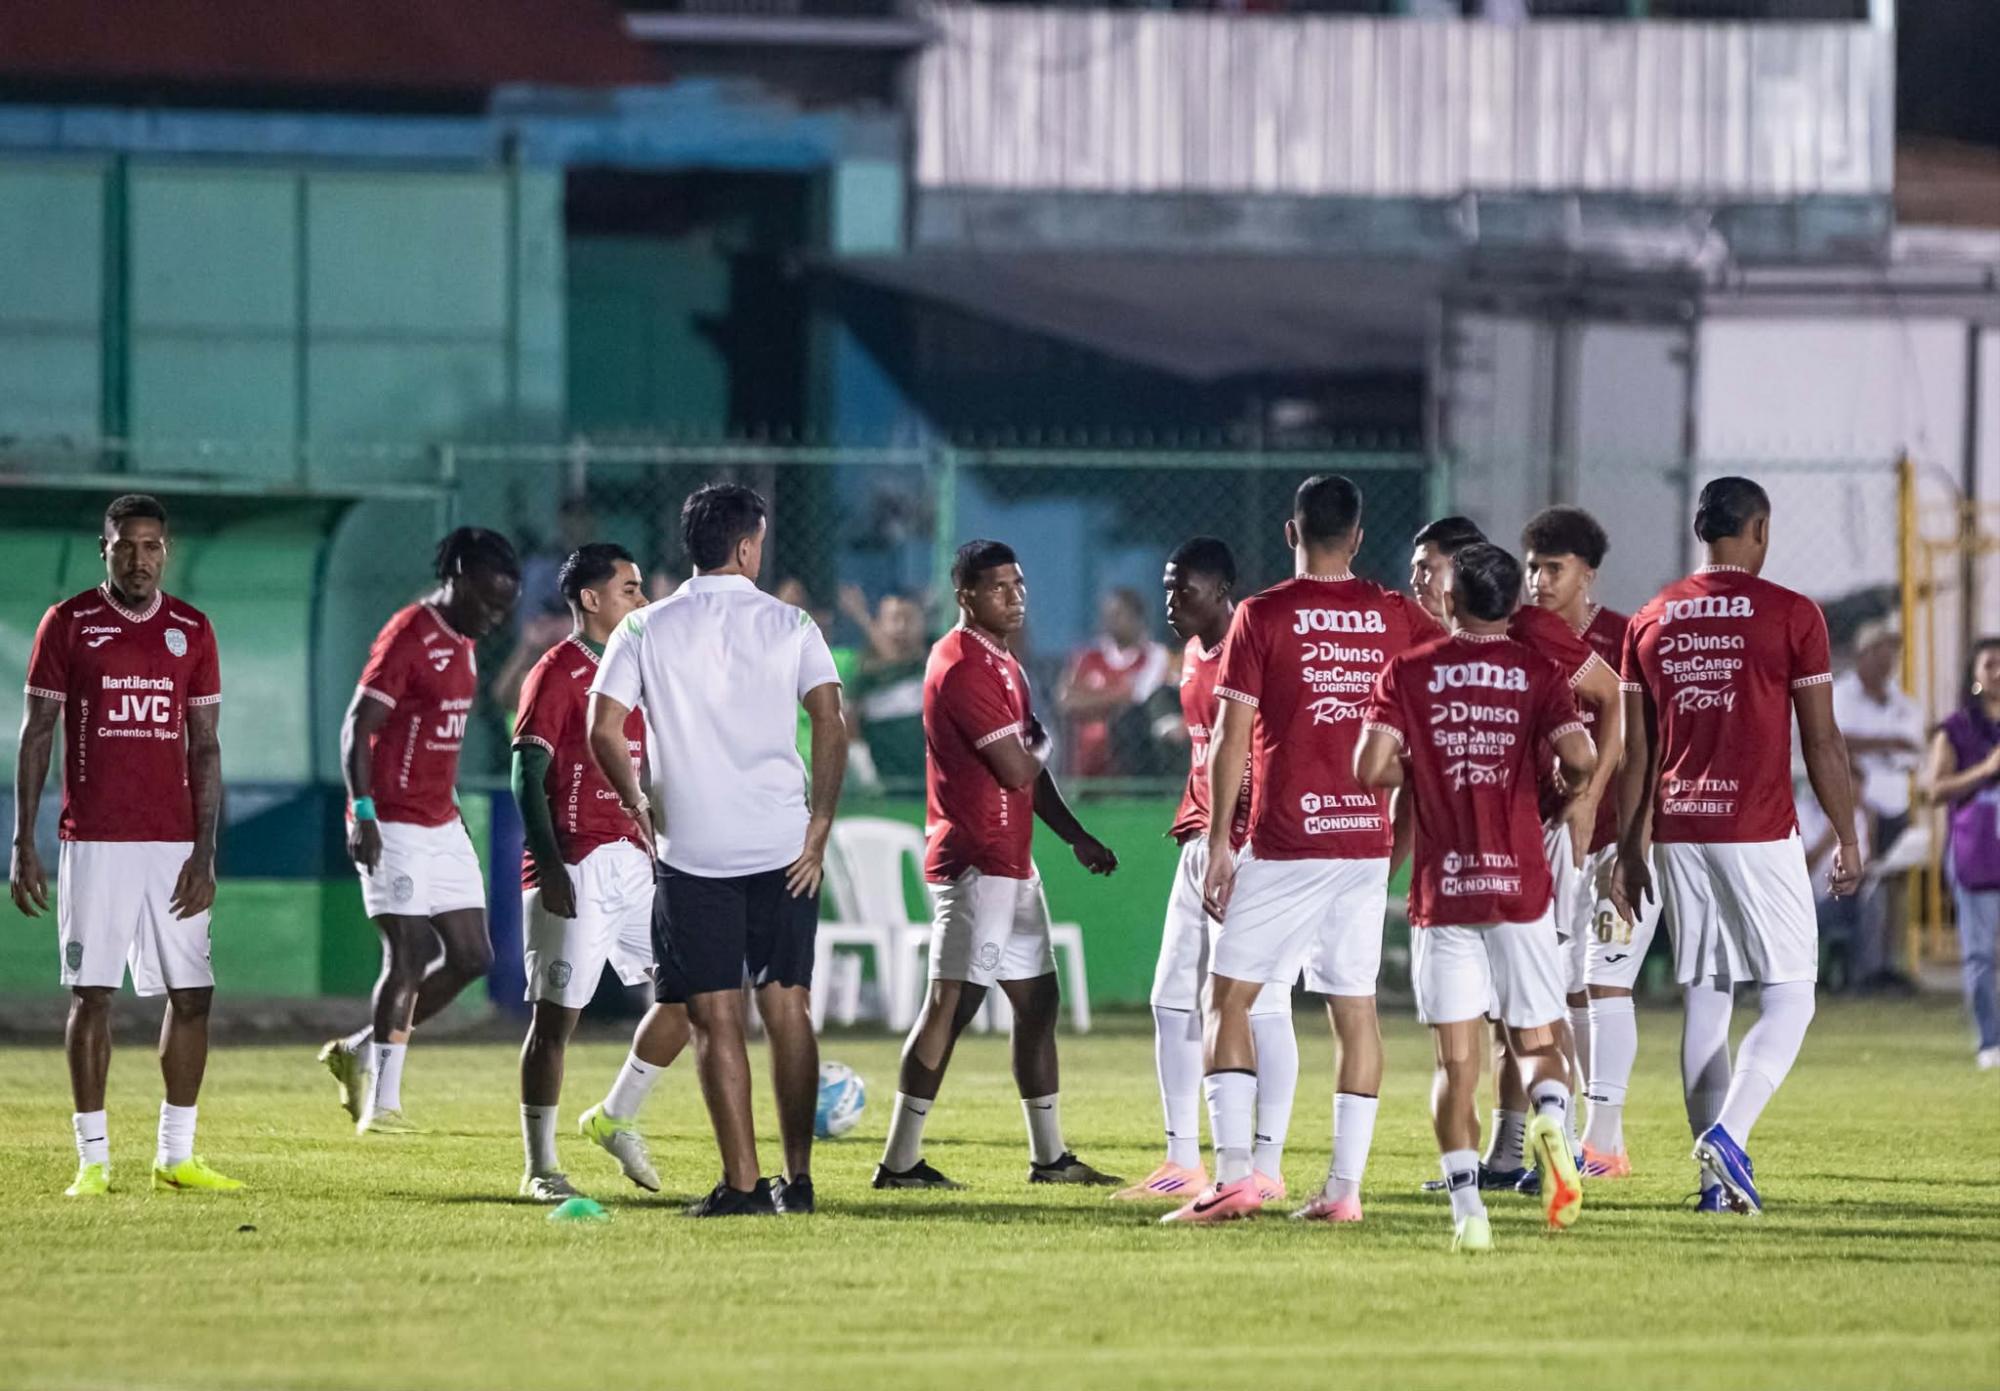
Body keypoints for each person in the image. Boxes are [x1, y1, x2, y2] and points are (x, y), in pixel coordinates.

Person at [1164, 475, 1431, 1226]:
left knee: (1231, 999)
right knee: (1356, 1010)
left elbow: (1230, 735)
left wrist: (1219, 841)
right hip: (1364, 840)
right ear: (1356, 536)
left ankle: (1236, 1177)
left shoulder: (1264, 614)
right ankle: (1344, 1191)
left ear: (1291, 533)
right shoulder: (1397, 614)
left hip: (1286, 841)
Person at [588, 485, 847, 1217]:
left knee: (714, 1017)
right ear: (745, 547)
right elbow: (830, 720)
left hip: (692, 848)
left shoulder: (641, 627)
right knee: (789, 1005)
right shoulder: (792, 622)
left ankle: (741, 1184)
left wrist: (638, 802)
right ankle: (797, 1182)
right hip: (782, 845)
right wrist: (820, 825)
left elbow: (602, 728)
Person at [1611, 476, 1862, 1215]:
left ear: (1701, 532)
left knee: (1709, 996)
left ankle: (1713, 1190)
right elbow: (1819, 737)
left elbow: (1638, 751)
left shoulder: (1651, 617)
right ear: (1758, 529)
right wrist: (1847, 834)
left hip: (1678, 828)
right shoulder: (1791, 613)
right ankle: (1729, 1134)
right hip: (1755, 828)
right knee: (1792, 995)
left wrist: (1631, 850)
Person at [1357, 542, 1595, 1251]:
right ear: (1513, 605)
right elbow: (1580, 759)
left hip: (1445, 889)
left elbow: (1369, 766)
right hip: (1520, 884)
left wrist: (1425, 760)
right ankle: (1551, 1117)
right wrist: (1554, 792)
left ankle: (1469, 1214)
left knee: (1454, 1064)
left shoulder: (1409, 670)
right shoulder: (1539, 671)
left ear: (1452, 602)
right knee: (1536, 1038)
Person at [11, 493, 242, 1196]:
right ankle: (92, 1159)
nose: (139, 559)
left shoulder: (192, 631)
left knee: (194, 994)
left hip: (172, 844)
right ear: (103, 548)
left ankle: (176, 1154)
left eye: (151, 547)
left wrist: (204, 852)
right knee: (93, 993)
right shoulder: (70, 623)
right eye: (125, 546)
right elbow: (37, 733)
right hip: (97, 842)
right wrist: (23, 839)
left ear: (165, 551)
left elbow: (205, 748)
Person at [874, 540, 1122, 1191]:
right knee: (950, 1008)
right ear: (965, 595)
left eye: (1019, 583)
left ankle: (1050, 1157)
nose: (1015, 596)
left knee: (1038, 1001)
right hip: (977, 863)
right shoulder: (961, 666)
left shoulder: (1003, 661)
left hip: (1013, 865)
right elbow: (1018, 764)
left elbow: (1028, 775)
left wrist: (1074, 836)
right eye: (998, 587)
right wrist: (1046, 737)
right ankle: (898, 1161)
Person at [1410, 515, 1618, 1192]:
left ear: (1464, 577)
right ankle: (1510, 1153)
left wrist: (1586, 800)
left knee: (1529, 1011)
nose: (1420, 580)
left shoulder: (1529, 632)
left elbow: (1610, 696)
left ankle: (1543, 1147)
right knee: (1513, 1013)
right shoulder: (1432, 648)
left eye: (1432, 567)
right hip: (1486, 850)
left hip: (1528, 842)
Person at [318, 528, 522, 1136]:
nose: (492, 617)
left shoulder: (465, 640)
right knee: (408, 954)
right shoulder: (410, 633)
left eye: (502, 608)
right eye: (485, 601)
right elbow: (358, 724)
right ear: (457, 576)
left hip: (441, 818)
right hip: (392, 819)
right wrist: (365, 811)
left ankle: (359, 1051)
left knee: (472, 956)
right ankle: (382, 1106)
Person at [1116, 537, 1294, 1204]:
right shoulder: (1190, 653)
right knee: (1170, 998)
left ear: (1222, 592)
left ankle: (1267, 1164)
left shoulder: (1257, 650)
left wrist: (1243, 842)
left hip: (1249, 848)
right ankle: (1181, 1159)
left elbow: (1272, 754)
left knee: (1263, 1004)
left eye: (1182, 590)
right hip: (1199, 841)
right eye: (1165, 588)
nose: (1169, 602)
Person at [511, 543, 689, 1201]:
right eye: (630, 589)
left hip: (635, 865)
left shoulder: (639, 670)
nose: (642, 600)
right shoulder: (555, 672)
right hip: (575, 864)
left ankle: (615, 1114)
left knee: (695, 995)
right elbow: (526, 773)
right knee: (555, 1021)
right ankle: (540, 1165)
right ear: (591, 599)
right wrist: (551, 864)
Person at [1521, 504, 1655, 1179]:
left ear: (1587, 574)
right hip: (1558, 843)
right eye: (1533, 566)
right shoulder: (1527, 636)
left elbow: (1643, 747)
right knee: (1569, 990)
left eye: (1553, 568)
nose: (1538, 579)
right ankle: (1577, 1134)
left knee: (1606, 982)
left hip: (1618, 842)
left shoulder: (1622, 638)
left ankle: (1607, 1140)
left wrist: (1632, 843)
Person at [1832, 620, 1924, 992]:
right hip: (1856, 803)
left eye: (1893, 651)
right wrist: (1888, 743)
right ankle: (1861, 966)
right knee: (1861, 884)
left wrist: (1871, 744)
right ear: (1863, 654)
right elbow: (1837, 741)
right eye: (1881, 650)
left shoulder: (1902, 701)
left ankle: (1886, 964)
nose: (1889, 659)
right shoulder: (1842, 695)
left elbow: (1914, 749)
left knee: (1893, 888)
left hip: (1895, 803)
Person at [1924, 636, 2000, 1069]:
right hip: (1977, 851)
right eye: (1990, 665)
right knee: (1981, 954)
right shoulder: (1957, 728)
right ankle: (1990, 1042)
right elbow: (1934, 790)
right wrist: (1985, 770)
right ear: (1974, 674)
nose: (1998, 673)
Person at [1057, 587, 1177, 778]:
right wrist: (1118, 695)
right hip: (1086, 762)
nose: (1110, 621)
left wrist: (1090, 701)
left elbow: (1139, 699)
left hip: (1134, 764)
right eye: (1107, 615)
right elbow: (1066, 702)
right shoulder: (1087, 657)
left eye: (1118, 614)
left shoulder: (1156, 656)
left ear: (1138, 618)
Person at [845, 591, 931, 791]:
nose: (900, 628)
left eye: (908, 619)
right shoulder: (863, 680)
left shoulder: (938, 669)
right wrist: (867, 775)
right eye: (893, 619)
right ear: (880, 624)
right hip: (884, 789)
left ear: (923, 623)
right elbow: (849, 728)